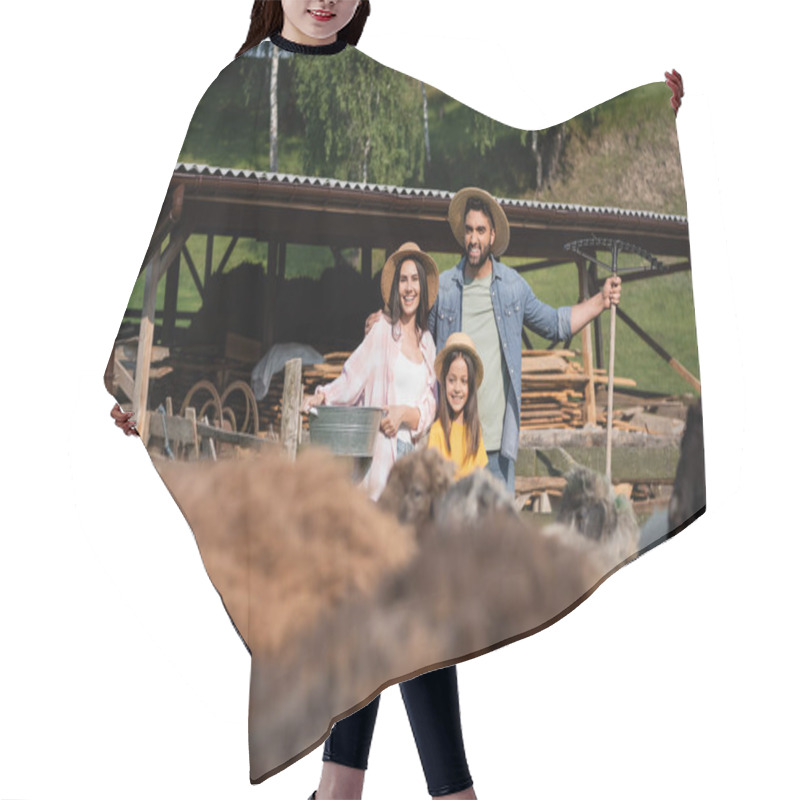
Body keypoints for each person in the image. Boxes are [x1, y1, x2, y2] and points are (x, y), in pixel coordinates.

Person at [427, 187, 622, 494]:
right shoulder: (446, 290)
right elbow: (416, 337)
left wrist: (600, 300)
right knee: (455, 538)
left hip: (496, 447)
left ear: (492, 236)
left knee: (501, 539)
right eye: (468, 230)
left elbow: (556, 324)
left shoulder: (512, 288)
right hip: (453, 444)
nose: (473, 239)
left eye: (480, 230)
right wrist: (384, 321)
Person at [303, 242, 438, 501]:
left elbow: (432, 402)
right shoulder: (381, 332)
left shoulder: (428, 343)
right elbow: (352, 377)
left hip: (412, 458)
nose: (409, 288)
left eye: (414, 280)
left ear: (422, 286)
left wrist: (405, 415)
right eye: (402, 280)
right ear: (396, 289)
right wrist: (322, 396)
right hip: (381, 454)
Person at [428, 333, 488, 481]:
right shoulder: (437, 432)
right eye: (452, 380)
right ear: (444, 381)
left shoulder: (474, 431)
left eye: (464, 381)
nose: (457, 388)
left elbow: (480, 479)